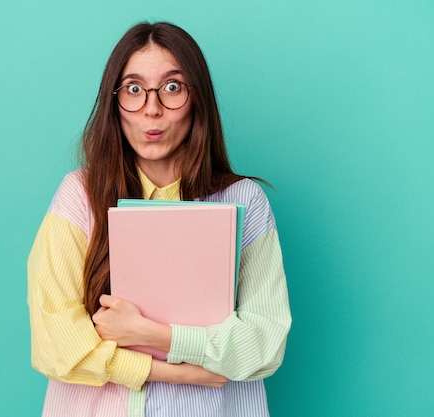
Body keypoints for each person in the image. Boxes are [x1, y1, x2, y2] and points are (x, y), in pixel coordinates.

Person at [27, 21, 291, 417]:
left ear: (196, 99)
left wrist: (156, 335)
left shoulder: (243, 200)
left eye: (172, 88)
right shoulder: (79, 195)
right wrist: (178, 371)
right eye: (133, 89)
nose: (152, 108)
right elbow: (56, 343)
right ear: (114, 104)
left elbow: (264, 344)